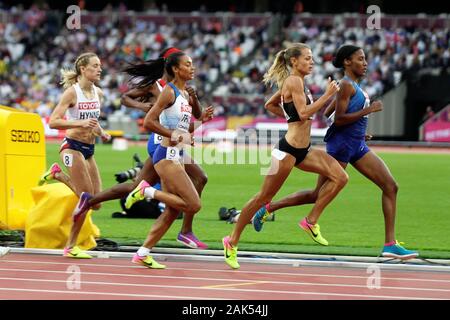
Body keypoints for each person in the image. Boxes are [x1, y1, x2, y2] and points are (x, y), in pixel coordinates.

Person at [253, 45, 419, 260]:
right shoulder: (346, 85)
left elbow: (330, 113)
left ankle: (390, 243)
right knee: (317, 194)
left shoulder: (350, 86)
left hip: (355, 144)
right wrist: (369, 110)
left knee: (390, 186)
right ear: (347, 62)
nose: (365, 63)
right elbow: (338, 118)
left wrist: (358, 132)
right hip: (342, 145)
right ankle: (275, 210)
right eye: (360, 59)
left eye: (365, 58)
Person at [72, 47, 213, 249]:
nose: (190, 67)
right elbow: (125, 98)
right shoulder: (156, 86)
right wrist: (143, 107)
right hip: (160, 141)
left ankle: (91, 200)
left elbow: (196, 118)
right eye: (186, 63)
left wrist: (195, 104)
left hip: (173, 141)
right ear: (172, 65)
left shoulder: (182, 89)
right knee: (194, 181)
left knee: (138, 186)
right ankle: (182, 232)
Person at [222, 43, 347, 269]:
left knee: (341, 178)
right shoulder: (293, 81)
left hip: (304, 151)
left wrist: (290, 118)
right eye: (307, 58)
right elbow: (304, 113)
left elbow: (270, 105)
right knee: (263, 197)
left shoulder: (298, 83)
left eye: (312, 58)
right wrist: (328, 95)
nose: (312, 62)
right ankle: (231, 241)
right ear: (294, 62)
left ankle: (311, 221)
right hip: (287, 151)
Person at [124, 50, 208, 269]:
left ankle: (143, 253)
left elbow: (184, 127)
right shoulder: (168, 92)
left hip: (176, 155)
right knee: (193, 204)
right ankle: (146, 191)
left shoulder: (186, 95)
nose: (193, 68)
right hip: (165, 155)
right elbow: (149, 122)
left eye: (192, 64)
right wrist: (176, 136)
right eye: (188, 64)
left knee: (172, 211)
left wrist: (199, 123)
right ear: (175, 69)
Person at [38, 52, 111, 259]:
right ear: (83, 69)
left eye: (100, 66)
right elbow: (53, 121)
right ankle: (71, 246)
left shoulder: (99, 93)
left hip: (89, 149)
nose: (100, 69)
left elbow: (93, 122)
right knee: (86, 198)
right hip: (72, 146)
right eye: (95, 66)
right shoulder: (72, 93)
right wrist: (79, 123)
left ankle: (58, 175)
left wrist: (101, 132)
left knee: (96, 203)